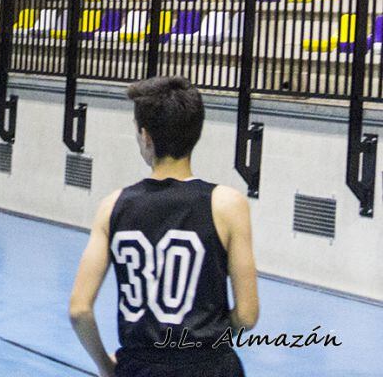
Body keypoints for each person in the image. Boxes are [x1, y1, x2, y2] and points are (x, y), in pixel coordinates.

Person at [68, 76, 259, 377]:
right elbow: (247, 315)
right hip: (209, 367)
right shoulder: (228, 205)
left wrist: (107, 367)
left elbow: (79, 310)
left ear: (146, 137)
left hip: (139, 367)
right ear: (196, 132)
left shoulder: (112, 207)